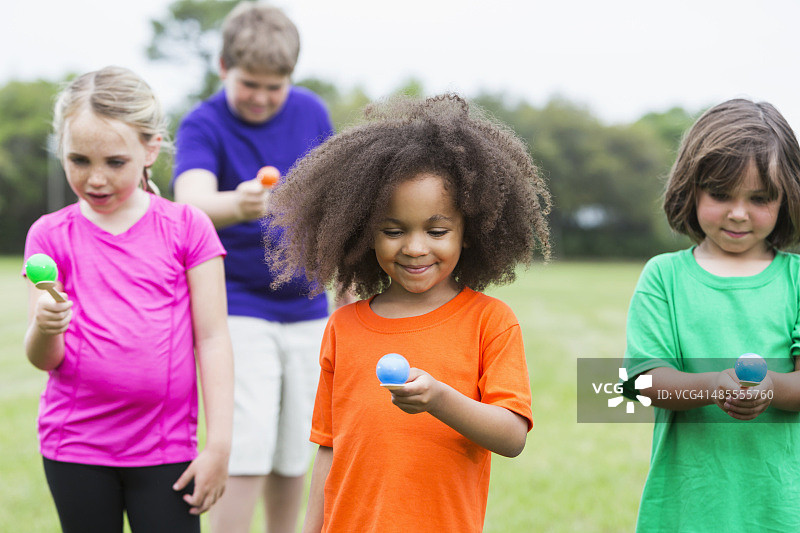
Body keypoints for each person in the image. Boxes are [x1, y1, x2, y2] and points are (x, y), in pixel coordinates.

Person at [264, 93, 551, 533]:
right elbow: (328, 447)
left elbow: (512, 436)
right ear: (363, 233)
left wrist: (440, 399)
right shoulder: (343, 326)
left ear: (469, 232)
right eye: (393, 231)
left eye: (437, 231)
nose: (415, 248)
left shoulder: (490, 321)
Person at [23, 66, 233, 533]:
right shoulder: (50, 235)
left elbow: (214, 338)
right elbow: (44, 359)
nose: (95, 179)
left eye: (114, 162)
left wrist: (218, 446)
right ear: (61, 149)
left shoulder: (186, 227)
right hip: (74, 447)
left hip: (166, 451)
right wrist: (45, 326)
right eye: (78, 160)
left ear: (150, 149)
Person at [171, 3, 336, 532]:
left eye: (275, 86)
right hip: (238, 305)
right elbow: (190, 201)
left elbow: (335, 195)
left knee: (295, 444)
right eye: (250, 83)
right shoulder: (204, 122)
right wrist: (238, 203)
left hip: (309, 305)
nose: (262, 97)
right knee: (247, 441)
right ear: (224, 67)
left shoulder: (311, 112)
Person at [623, 98, 800, 532]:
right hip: (685, 509)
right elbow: (643, 383)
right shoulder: (663, 277)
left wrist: (769, 389)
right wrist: (713, 387)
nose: (738, 212)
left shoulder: (797, 281)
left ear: (786, 198)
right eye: (721, 194)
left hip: (779, 509)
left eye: (760, 198)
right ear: (692, 188)